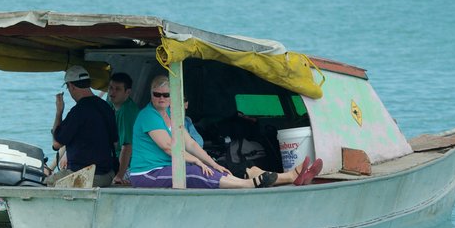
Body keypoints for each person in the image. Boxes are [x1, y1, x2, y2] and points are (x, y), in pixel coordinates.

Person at [127, 76, 315, 189]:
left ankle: (290, 176)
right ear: (151, 94)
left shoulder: (172, 113)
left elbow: (190, 144)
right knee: (193, 172)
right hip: (149, 173)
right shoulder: (148, 116)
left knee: (220, 166)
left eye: (166, 95)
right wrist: (197, 161)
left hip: (170, 166)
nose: (160, 98)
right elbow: (170, 148)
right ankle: (248, 185)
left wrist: (211, 163)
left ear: (172, 96)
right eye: (156, 94)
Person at [49, 65, 119, 187]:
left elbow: (56, 144)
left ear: (71, 86)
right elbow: (115, 141)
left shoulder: (78, 112)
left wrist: (59, 112)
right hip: (107, 175)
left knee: (48, 182)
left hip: (85, 176)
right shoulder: (106, 107)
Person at [106, 72, 139, 185]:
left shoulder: (127, 112)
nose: (112, 92)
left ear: (127, 92)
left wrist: (119, 176)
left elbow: (127, 147)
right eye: (110, 88)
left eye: (118, 89)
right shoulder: (109, 105)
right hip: (112, 159)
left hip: (131, 165)